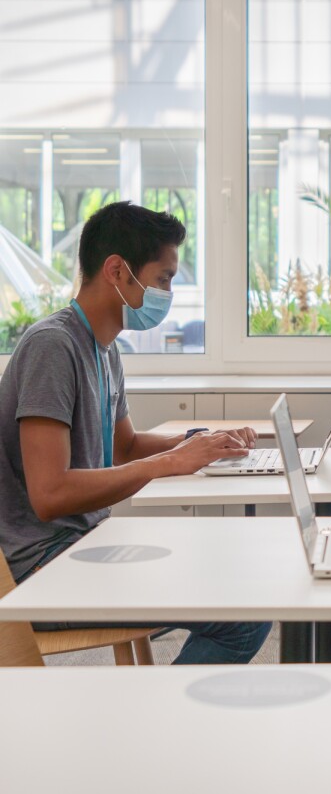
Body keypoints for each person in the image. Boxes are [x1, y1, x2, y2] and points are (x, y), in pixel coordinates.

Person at [0, 201, 271, 664]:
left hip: (84, 545)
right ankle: (160, 729)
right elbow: (50, 493)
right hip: (41, 568)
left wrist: (200, 445)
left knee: (239, 575)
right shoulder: (52, 347)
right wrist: (168, 462)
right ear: (117, 272)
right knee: (244, 612)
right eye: (163, 278)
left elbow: (122, 447)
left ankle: (156, 721)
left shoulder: (102, 347)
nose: (168, 291)